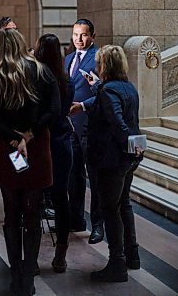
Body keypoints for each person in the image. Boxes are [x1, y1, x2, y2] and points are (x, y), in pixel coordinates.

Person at [0, 28, 60, 296]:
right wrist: (30, 134)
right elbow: (54, 109)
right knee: (33, 212)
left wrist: (15, 139)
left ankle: (16, 272)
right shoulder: (41, 71)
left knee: (11, 214)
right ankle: (28, 276)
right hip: (36, 147)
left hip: (9, 149)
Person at [71, 45, 142, 282]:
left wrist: (126, 144)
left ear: (104, 66)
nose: (97, 67)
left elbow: (117, 122)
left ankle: (117, 265)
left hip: (111, 159)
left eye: (99, 63)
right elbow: (113, 106)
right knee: (124, 205)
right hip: (127, 159)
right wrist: (133, 152)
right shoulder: (128, 87)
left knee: (110, 210)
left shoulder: (108, 90)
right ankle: (132, 256)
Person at [34, 34, 74, 273]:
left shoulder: (36, 78)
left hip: (41, 141)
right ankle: (61, 253)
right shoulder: (66, 79)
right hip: (61, 142)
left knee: (35, 198)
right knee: (61, 199)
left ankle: (32, 255)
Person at [64, 19, 104, 242]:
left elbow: (103, 92)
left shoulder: (99, 58)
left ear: (93, 36)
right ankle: (76, 218)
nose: (79, 39)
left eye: (84, 35)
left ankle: (98, 225)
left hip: (90, 125)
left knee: (95, 179)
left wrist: (83, 105)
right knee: (74, 175)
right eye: (76, 34)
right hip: (70, 126)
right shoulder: (69, 58)